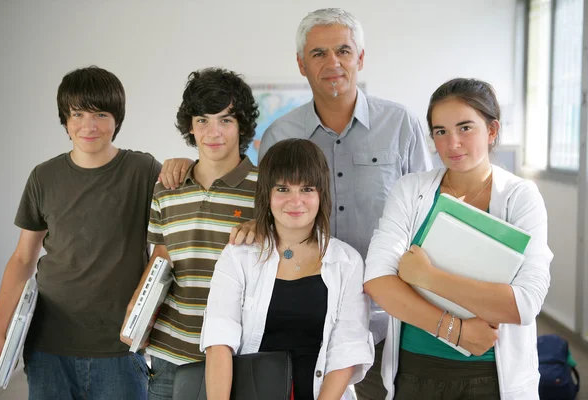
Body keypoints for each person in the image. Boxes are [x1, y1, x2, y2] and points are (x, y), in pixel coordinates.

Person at [157, 10, 433, 398]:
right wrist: (186, 163)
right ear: (302, 64)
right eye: (318, 53)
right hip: (279, 324)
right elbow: (255, 190)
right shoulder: (280, 134)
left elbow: (427, 211)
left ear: (361, 57)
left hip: (386, 320)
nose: (333, 62)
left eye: (343, 50)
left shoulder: (401, 124)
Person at [364, 78, 553, 399]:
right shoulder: (411, 190)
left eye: (465, 128)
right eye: (440, 131)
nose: (452, 144)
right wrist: (457, 331)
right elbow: (378, 281)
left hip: (491, 375)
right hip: (415, 370)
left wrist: (427, 276)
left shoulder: (520, 197)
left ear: (492, 131)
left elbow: (524, 304)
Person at [0, 66, 161, 399]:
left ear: (117, 119)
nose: (88, 125)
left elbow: (170, 236)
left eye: (100, 113)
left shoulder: (143, 171)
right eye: (77, 114)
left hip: (120, 348)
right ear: (64, 119)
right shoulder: (44, 176)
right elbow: (24, 258)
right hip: (49, 345)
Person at [120, 68, 259, 400]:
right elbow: (160, 259)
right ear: (190, 126)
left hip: (236, 354)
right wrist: (134, 316)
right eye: (203, 121)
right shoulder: (167, 186)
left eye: (225, 120)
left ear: (242, 126)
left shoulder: (266, 188)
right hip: (170, 355)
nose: (214, 132)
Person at [202, 138, 374, 400]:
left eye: (306, 189)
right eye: (283, 189)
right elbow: (219, 340)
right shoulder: (238, 256)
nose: (296, 201)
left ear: (321, 195)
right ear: (266, 195)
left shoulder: (347, 261)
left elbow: (347, 348)